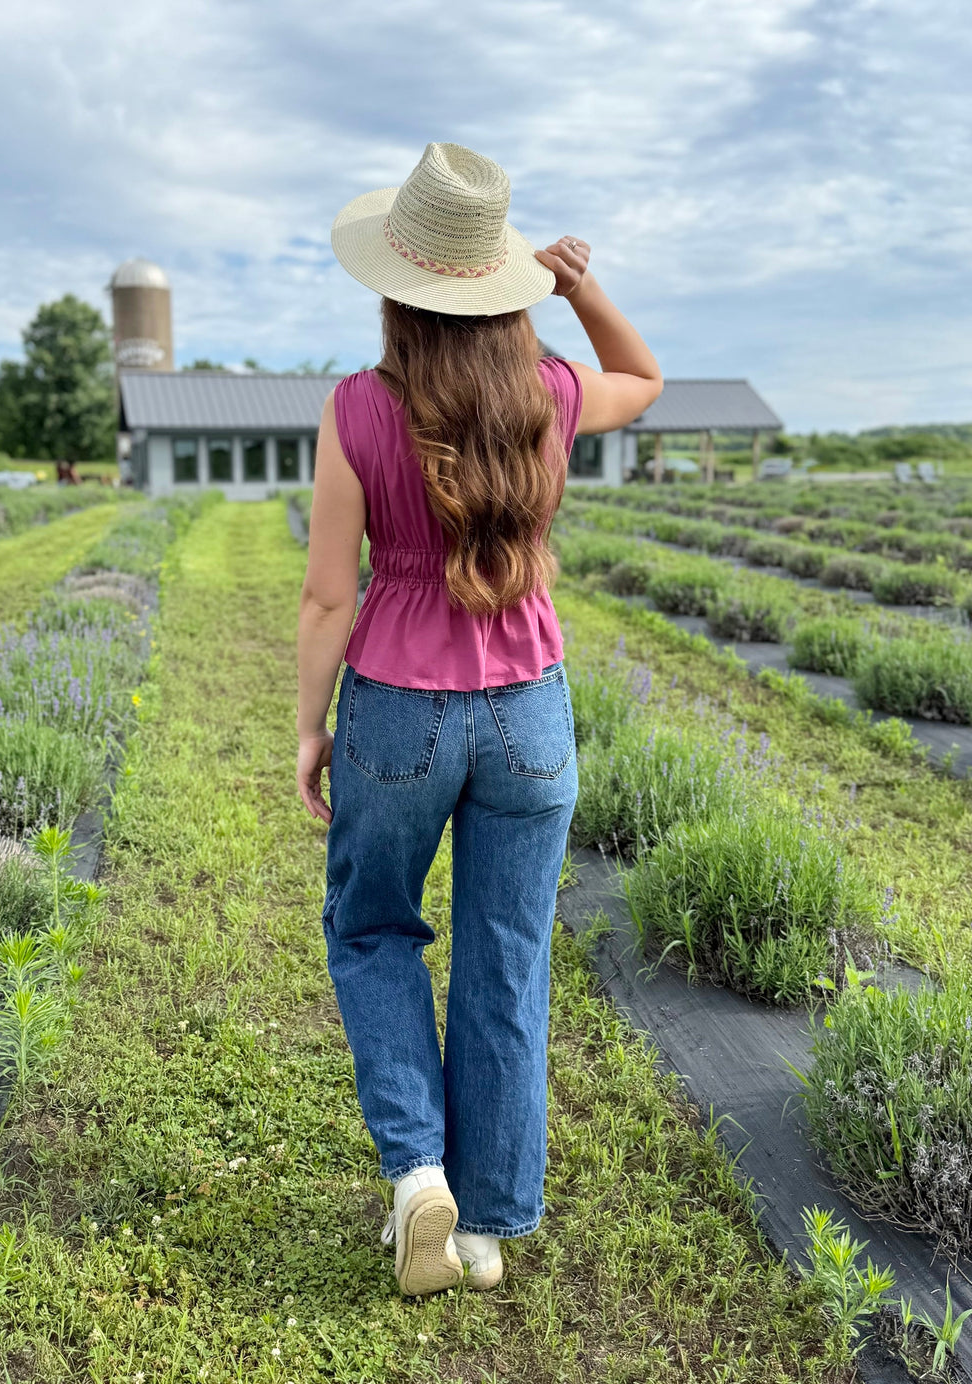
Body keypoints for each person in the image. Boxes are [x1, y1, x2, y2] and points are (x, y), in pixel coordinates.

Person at [295, 142, 662, 1298]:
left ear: (400, 288)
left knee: (371, 931)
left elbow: (326, 593)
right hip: (528, 716)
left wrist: (311, 728)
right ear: (502, 285)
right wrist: (581, 285)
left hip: (397, 711)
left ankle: (419, 1176)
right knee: (508, 959)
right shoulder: (549, 395)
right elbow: (644, 378)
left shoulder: (358, 407)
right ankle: (490, 1228)